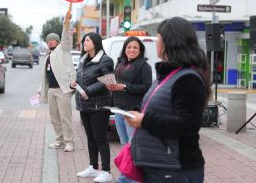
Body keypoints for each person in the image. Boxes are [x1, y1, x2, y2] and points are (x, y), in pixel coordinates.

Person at [126, 17, 211, 183]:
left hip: (174, 168)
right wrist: (138, 114)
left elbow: (189, 124)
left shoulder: (187, 79)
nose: (156, 42)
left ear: (169, 42)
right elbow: (162, 108)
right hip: (160, 165)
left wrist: (145, 120)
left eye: (158, 37)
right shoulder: (168, 75)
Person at [105, 36, 152, 183]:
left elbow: (146, 87)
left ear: (140, 50)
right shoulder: (120, 63)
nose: (131, 50)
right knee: (125, 147)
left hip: (132, 111)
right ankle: (127, 177)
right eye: (129, 47)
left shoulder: (144, 66)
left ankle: (134, 179)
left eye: (135, 48)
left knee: (134, 146)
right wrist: (111, 85)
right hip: (118, 109)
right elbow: (116, 82)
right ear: (125, 49)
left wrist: (124, 87)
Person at [71, 32, 114, 183]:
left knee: (100, 138)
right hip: (85, 105)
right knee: (90, 137)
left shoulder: (105, 60)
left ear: (95, 42)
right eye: (84, 41)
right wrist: (74, 84)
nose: (84, 43)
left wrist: (89, 90)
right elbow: (80, 78)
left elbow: (108, 80)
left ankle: (107, 171)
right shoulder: (83, 60)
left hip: (99, 105)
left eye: (87, 40)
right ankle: (93, 167)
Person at [39, 7, 76, 152]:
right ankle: (59, 140)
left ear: (58, 41)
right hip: (51, 91)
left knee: (65, 118)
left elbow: (67, 37)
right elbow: (45, 77)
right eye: (49, 41)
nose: (51, 42)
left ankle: (69, 142)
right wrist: (41, 91)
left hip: (63, 90)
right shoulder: (48, 57)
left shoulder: (63, 49)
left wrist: (66, 24)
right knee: (54, 118)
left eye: (53, 40)